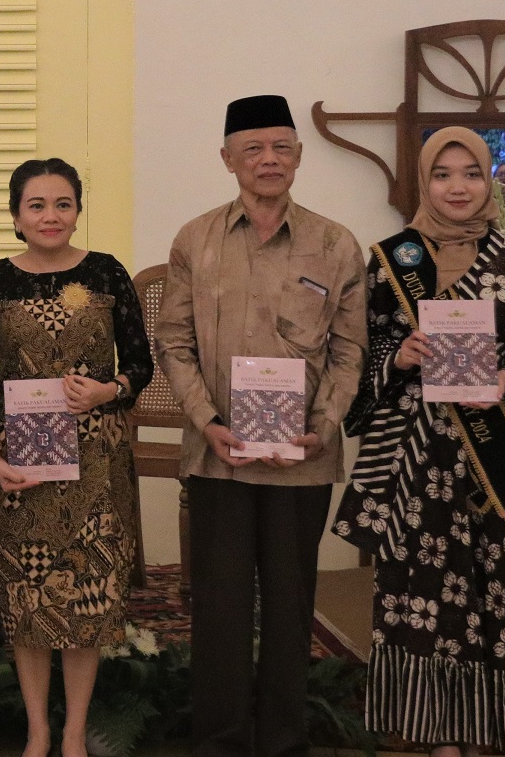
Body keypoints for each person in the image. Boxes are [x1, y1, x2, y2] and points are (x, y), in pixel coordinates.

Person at [332, 128, 505, 757]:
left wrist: (504, 378)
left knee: (478, 587)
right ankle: (415, 727)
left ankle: (467, 730)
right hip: (409, 455)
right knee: (406, 589)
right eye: (442, 174)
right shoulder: (392, 261)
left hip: (484, 457)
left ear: (490, 178)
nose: (457, 187)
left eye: (470, 172)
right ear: (423, 181)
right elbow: (355, 352)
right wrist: (398, 355)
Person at [156, 94, 366, 757]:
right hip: (220, 455)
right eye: (254, 148)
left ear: (299, 156)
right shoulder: (195, 240)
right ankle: (219, 741)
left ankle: (282, 742)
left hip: (302, 456)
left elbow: (350, 348)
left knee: (289, 606)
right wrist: (207, 421)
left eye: (281, 146)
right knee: (218, 608)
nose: (269, 159)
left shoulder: (335, 244)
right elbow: (175, 342)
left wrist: (325, 423)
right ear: (228, 159)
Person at [0, 158, 154, 757]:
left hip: (97, 463)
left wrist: (109, 390)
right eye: (37, 205)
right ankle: (37, 732)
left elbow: (141, 363)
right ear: (16, 215)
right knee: (27, 596)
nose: (51, 216)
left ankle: (73, 733)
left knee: (86, 597)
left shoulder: (106, 273)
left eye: (63, 203)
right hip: (20, 463)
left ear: (77, 210)